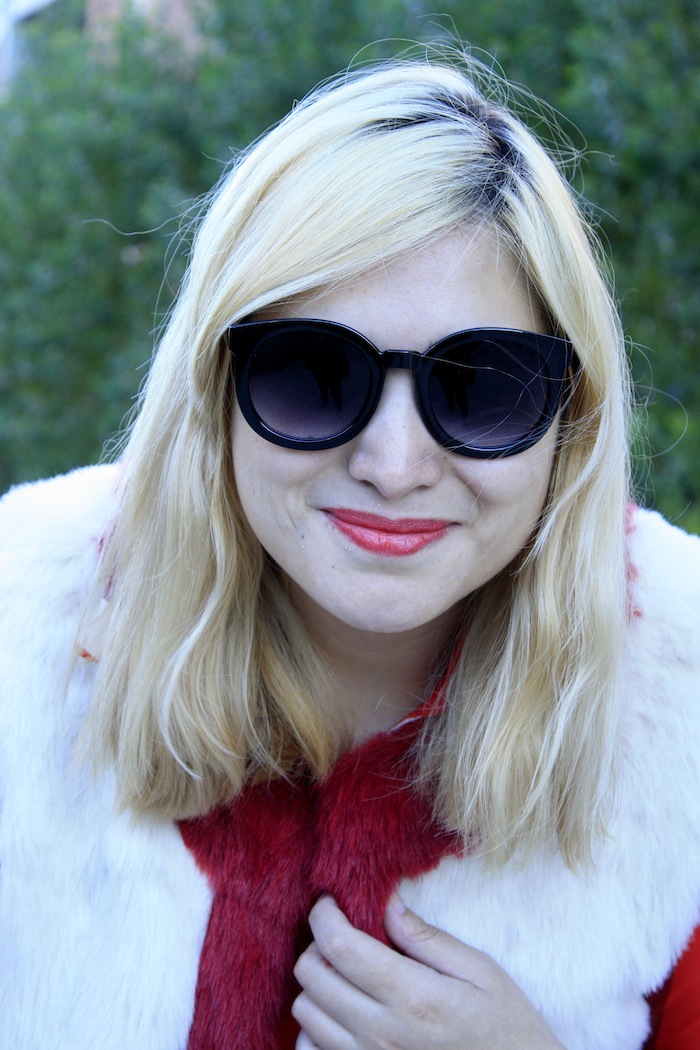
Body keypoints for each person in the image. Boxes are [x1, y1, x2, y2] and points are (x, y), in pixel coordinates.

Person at [1, 52, 699, 1050]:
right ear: (214, 388)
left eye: (482, 386)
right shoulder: (17, 627)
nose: (393, 464)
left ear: (569, 422)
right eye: (312, 373)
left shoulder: (683, 702)